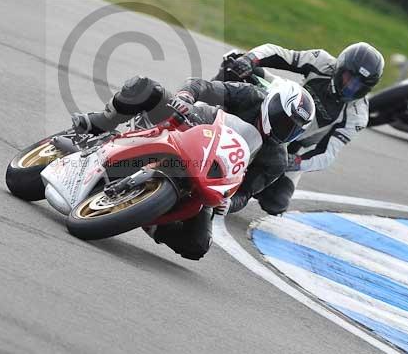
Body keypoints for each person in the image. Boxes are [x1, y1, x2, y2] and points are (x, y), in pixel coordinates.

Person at [72, 74, 315, 260]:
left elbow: (245, 193)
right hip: (193, 125)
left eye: (292, 129)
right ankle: (100, 123)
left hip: (210, 177)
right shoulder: (252, 95)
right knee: (145, 87)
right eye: (283, 120)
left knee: (197, 245)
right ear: (272, 103)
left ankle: (150, 217)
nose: (285, 130)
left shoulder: (276, 160)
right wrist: (186, 96)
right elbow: (205, 87)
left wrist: (229, 203)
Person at [218, 42, 384, 215]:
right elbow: (279, 52)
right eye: (349, 78)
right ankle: (206, 111)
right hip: (280, 104)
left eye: (359, 86)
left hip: (296, 145)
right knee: (235, 64)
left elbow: (327, 155)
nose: (351, 88)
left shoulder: (358, 116)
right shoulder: (321, 60)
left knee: (276, 203)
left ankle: (247, 185)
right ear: (340, 67)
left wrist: (295, 162)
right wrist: (250, 59)